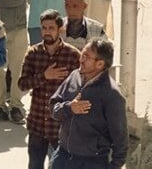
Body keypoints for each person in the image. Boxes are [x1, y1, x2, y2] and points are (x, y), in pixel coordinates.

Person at [49, 37, 128, 169]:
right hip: (62, 156)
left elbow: (121, 142)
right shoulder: (74, 76)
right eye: (82, 54)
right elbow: (53, 108)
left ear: (100, 64)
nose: (81, 59)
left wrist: (113, 167)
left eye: (86, 56)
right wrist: (69, 107)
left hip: (91, 162)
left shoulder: (112, 95)